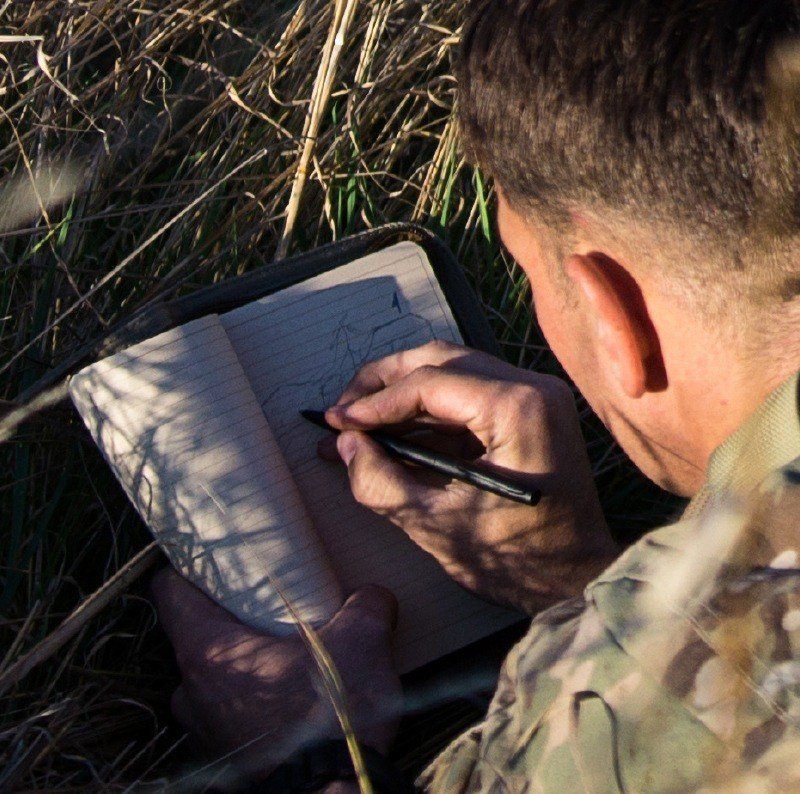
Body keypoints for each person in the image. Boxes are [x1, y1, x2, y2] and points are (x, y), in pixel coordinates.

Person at [150, 0, 800, 790]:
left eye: (529, 270)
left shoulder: (633, 717)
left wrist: (304, 758)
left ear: (610, 311)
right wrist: (574, 581)